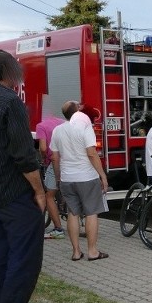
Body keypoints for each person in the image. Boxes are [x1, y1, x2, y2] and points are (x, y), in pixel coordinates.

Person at [0, 50, 45, 303]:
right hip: (13, 196)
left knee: (1, 260)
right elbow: (23, 156)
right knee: (24, 260)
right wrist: (39, 192)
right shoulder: (11, 103)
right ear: (9, 72)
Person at [50, 101, 109, 262]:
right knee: (91, 213)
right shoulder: (84, 127)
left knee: (72, 213)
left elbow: (54, 157)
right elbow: (91, 153)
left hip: (67, 178)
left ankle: (76, 252)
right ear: (76, 111)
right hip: (86, 177)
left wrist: (58, 177)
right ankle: (92, 251)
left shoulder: (57, 130)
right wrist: (102, 176)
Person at [35, 112, 66, 238]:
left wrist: (43, 158)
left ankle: (58, 229)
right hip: (69, 161)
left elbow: (43, 148)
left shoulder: (41, 126)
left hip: (54, 162)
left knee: (48, 196)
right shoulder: (63, 123)